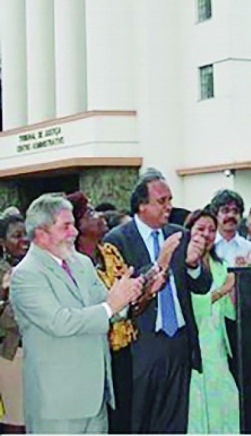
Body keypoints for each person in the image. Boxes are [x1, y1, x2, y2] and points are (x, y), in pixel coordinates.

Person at [10, 193, 142, 435]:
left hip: (96, 398)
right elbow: (60, 322)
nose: (74, 233)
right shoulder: (26, 274)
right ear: (41, 233)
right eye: (66, 226)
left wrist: (128, 295)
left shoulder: (81, 263)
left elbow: (108, 307)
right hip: (57, 404)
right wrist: (111, 306)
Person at [104, 169, 211, 434]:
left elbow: (201, 285)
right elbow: (121, 290)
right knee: (140, 419)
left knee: (174, 422)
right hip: (142, 344)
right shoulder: (118, 239)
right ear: (142, 206)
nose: (169, 207)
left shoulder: (178, 234)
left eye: (170, 200)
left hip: (178, 342)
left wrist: (194, 264)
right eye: (162, 201)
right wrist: (158, 263)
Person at [67, 191, 143, 434]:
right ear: (77, 225)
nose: (99, 215)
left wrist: (143, 288)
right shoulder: (72, 262)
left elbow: (126, 291)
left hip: (121, 347)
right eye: (90, 212)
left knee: (123, 414)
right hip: (92, 350)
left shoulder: (109, 250)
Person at [184, 209, 240, 434]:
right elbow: (193, 308)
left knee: (228, 404)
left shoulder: (220, 264)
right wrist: (221, 291)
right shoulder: (183, 265)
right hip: (195, 348)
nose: (206, 235)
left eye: (211, 230)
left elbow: (230, 312)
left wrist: (237, 284)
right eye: (200, 229)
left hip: (218, 347)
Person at [0, 213, 29, 433]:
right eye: (16, 236)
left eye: (26, 234)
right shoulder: (3, 272)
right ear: (2, 242)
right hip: (11, 354)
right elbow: (8, 319)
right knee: (15, 421)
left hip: (39, 353)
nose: (24, 240)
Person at [211, 190, 251, 266]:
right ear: (215, 215)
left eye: (235, 211)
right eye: (225, 211)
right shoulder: (207, 247)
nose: (231, 215)